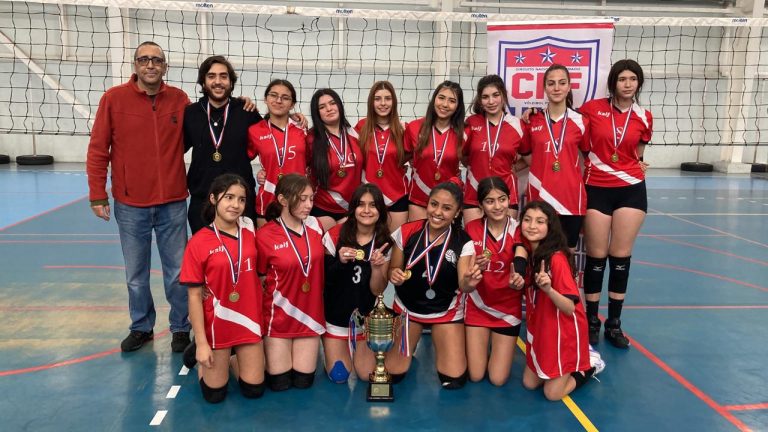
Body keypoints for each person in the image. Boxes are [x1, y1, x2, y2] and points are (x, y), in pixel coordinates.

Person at [87, 41, 190, 353]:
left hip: (173, 202)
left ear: (164, 66)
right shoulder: (113, 99)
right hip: (131, 205)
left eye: (156, 60)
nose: (150, 65)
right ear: (135, 64)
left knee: (177, 273)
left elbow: (198, 132)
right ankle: (142, 326)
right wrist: (97, 194)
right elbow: (97, 149)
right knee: (136, 276)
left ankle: (181, 327)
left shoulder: (179, 99)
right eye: (144, 59)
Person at [579, 59, 653, 348]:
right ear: (613, 82)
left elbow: (637, 153)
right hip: (597, 187)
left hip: (631, 190)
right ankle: (592, 321)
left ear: (638, 83)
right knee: (597, 257)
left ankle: (614, 324)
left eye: (632, 79)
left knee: (620, 257)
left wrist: (639, 166)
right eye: (622, 78)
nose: (627, 83)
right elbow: (574, 135)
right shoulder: (592, 109)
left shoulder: (644, 116)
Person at [386, 181, 481, 389]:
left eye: (446, 208)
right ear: (427, 205)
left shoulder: (463, 242)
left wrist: (469, 283)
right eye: (433, 204)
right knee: (393, 375)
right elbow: (392, 268)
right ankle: (411, 340)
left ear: (457, 213)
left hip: (445, 312)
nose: (437, 212)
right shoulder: (406, 231)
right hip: (407, 309)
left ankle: (434, 340)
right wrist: (394, 274)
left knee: (453, 381)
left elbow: (464, 285)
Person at [180, 174, 265, 403]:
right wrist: (201, 343)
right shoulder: (198, 242)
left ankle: (234, 357)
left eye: (241, 199)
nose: (235, 205)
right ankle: (204, 356)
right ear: (213, 199)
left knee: (254, 390)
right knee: (214, 395)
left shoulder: (249, 231)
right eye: (229, 197)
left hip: (248, 319)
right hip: (217, 322)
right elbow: (194, 295)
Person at [519, 201, 599, 401]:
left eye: (540, 221)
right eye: (527, 220)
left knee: (552, 394)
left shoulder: (556, 259)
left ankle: (588, 366)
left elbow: (569, 307)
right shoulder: (529, 254)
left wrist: (548, 289)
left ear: (550, 227)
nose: (532, 226)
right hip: (543, 327)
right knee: (529, 384)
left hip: (564, 330)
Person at [256, 173, 325, 390]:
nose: (308, 205)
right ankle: (237, 357)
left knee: (304, 382)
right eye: (302, 199)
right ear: (283, 200)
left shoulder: (316, 228)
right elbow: (259, 278)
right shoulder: (264, 235)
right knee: (279, 384)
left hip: (310, 317)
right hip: (278, 318)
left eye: (311, 199)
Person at [321, 183, 392, 383]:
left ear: (380, 210)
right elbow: (325, 281)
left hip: (365, 322)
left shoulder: (385, 242)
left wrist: (378, 269)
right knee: (339, 376)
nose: (367, 211)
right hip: (335, 319)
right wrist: (340, 262)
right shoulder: (334, 235)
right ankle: (328, 347)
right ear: (353, 209)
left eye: (373, 205)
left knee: (367, 375)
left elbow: (378, 290)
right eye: (361, 205)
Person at [184, 55, 262, 233]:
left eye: (223, 76)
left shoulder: (246, 111)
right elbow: (174, 148)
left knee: (241, 256)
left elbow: (272, 139)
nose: (218, 81)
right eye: (211, 76)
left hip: (240, 200)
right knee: (206, 257)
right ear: (203, 82)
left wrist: (294, 119)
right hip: (202, 201)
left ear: (231, 82)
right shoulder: (191, 113)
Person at [519, 64, 590, 250]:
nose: (556, 88)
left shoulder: (582, 121)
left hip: (571, 198)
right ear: (544, 88)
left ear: (569, 86)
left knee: (567, 258)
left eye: (561, 83)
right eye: (551, 83)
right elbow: (526, 154)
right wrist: (543, 167)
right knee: (538, 256)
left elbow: (589, 155)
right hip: (539, 196)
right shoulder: (531, 120)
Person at [463, 177, 523, 386]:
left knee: (497, 379)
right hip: (477, 305)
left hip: (507, 309)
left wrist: (520, 278)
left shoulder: (520, 230)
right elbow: (464, 276)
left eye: (502, 199)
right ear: (480, 205)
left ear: (509, 199)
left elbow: (523, 264)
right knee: (476, 375)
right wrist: (472, 271)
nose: (497, 206)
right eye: (489, 201)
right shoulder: (471, 229)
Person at [463, 75, 524, 223]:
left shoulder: (518, 125)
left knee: (505, 244)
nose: (491, 101)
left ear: (503, 95)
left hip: (505, 193)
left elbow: (530, 158)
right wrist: (477, 164)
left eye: (495, 95)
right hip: (474, 192)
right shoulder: (471, 122)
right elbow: (462, 155)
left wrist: (513, 167)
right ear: (480, 100)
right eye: (485, 97)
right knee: (474, 244)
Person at [248, 79, 308, 228]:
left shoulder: (303, 129)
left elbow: (313, 162)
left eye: (285, 97)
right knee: (267, 248)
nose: (279, 100)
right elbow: (241, 160)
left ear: (292, 104)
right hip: (268, 199)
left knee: (297, 249)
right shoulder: (254, 130)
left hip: (298, 199)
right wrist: (259, 174)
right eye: (273, 95)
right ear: (266, 99)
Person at [404, 81, 465, 222]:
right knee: (418, 241)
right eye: (441, 98)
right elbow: (403, 157)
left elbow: (469, 161)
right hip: (419, 199)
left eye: (452, 101)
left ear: (458, 106)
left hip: (447, 202)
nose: (445, 104)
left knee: (444, 243)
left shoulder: (464, 132)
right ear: (434, 99)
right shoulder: (414, 127)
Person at [355, 81, 409, 232]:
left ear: (394, 102)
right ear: (371, 102)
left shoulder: (404, 128)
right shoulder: (361, 127)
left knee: (395, 245)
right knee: (369, 244)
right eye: (377, 98)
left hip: (398, 196)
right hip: (369, 196)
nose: (383, 103)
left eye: (388, 98)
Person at [308, 89, 364, 231]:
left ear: (339, 105)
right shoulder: (310, 139)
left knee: (350, 252)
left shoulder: (356, 134)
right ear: (317, 113)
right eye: (322, 107)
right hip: (323, 208)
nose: (329, 109)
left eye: (332, 103)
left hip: (353, 208)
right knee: (328, 252)